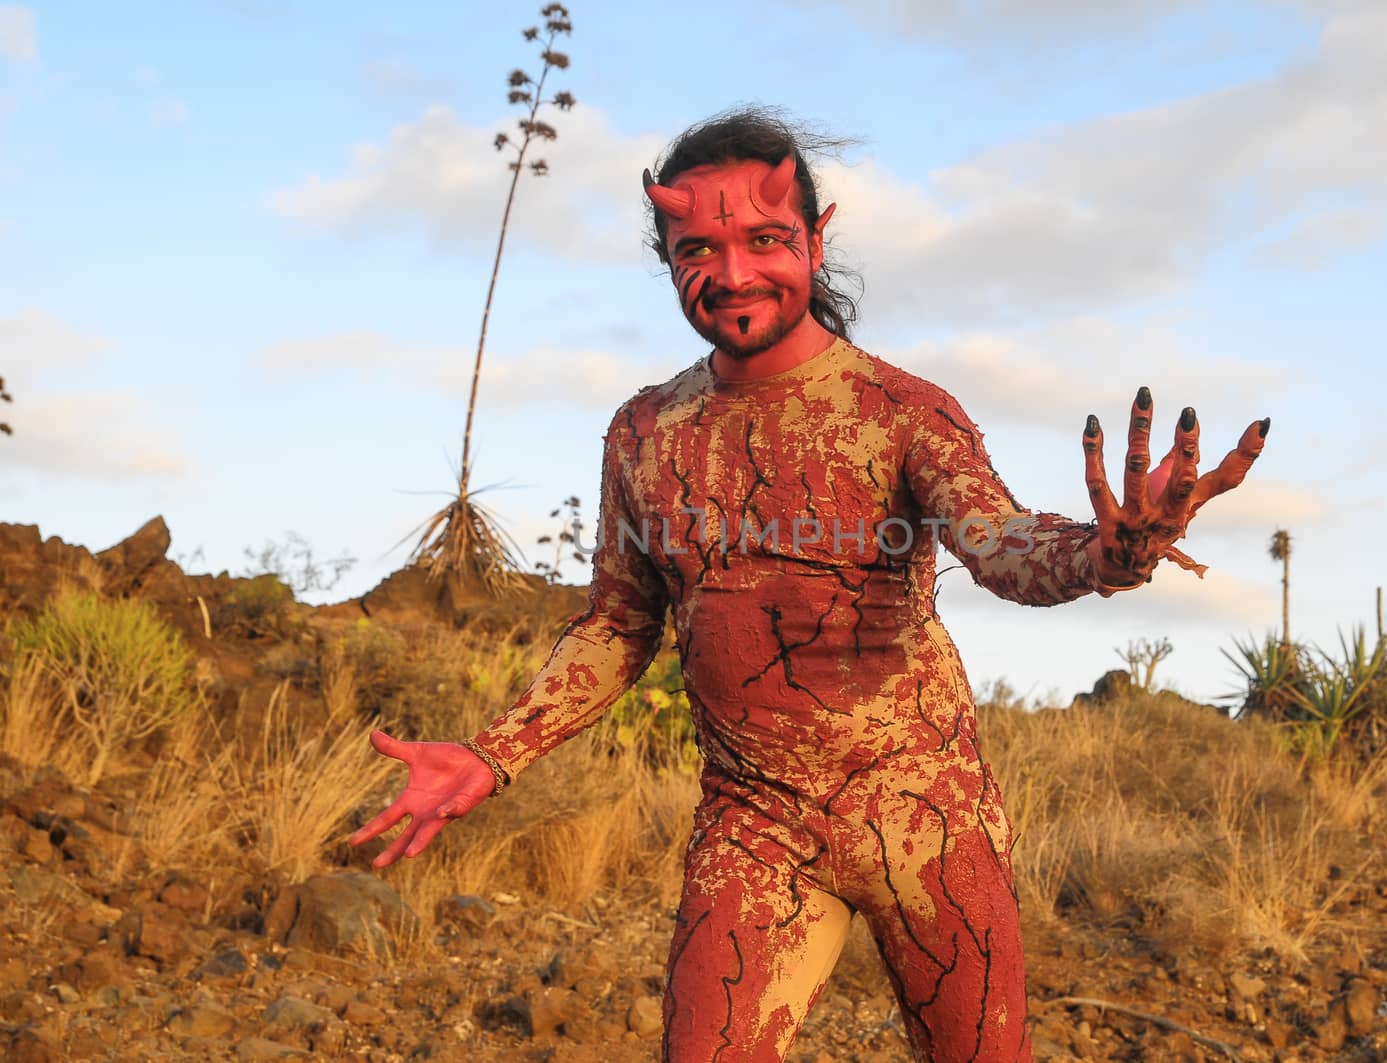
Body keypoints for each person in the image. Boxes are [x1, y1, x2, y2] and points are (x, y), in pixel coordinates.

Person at [351, 107, 1268, 1062]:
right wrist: (493, 752)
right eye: (696, 247)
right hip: (752, 824)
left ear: (818, 240)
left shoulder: (902, 412)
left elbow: (996, 543)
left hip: (927, 816)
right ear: (665, 255)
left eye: (767, 239)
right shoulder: (646, 432)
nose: (735, 274)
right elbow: (620, 625)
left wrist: (1107, 554)